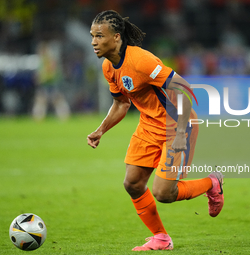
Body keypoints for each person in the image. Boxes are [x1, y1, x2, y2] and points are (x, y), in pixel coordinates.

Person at [87, 10, 224, 251]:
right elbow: (121, 103)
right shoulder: (109, 68)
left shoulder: (141, 61)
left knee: (164, 193)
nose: (93, 42)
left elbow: (183, 89)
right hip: (149, 125)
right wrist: (101, 130)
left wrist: (182, 132)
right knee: (132, 183)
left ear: (116, 37)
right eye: (92, 36)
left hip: (177, 125)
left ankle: (212, 183)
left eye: (99, 36)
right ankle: (160, 237)